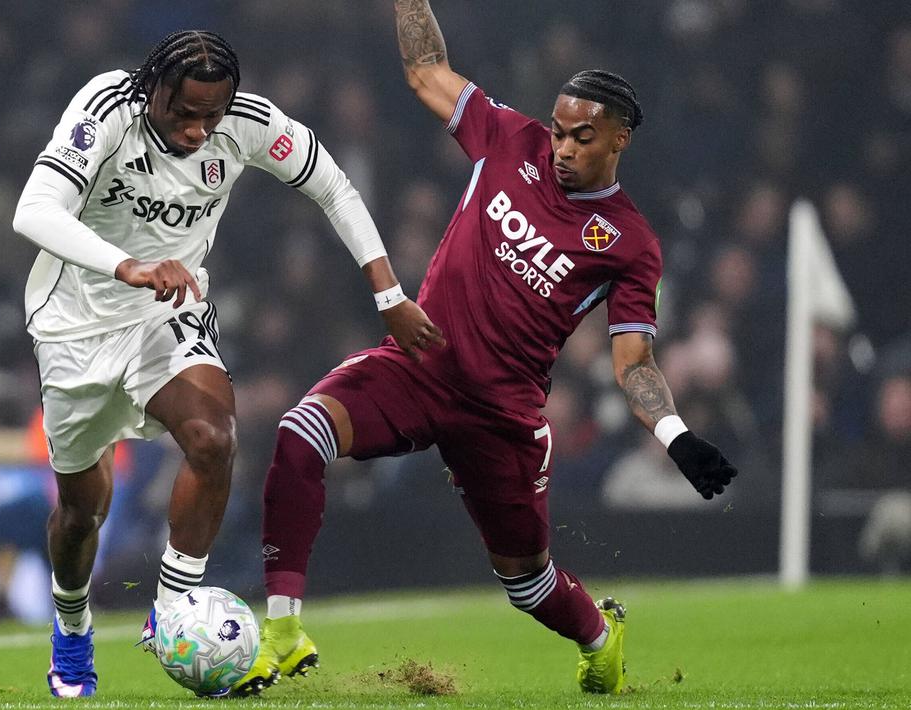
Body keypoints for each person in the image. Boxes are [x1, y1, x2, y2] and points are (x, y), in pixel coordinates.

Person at [233, 0, 739, 697]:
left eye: (582, 137)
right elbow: (425, 70)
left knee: (526, 583)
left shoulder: (629, 244)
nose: (562, 148)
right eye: (558, 132)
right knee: (300, 433)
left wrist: (677, 437)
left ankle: (599, 636)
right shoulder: (507, 137)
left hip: (502, 416)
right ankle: (284, 631)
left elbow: (634, 363)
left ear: (619, 140)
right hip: (419, 367)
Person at [10, 30, 438, 698]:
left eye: (210, 116)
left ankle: (172, 610)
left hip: (166, 313)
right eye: (184, 113)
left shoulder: (247, 124)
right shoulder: (108, 106)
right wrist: (128, 266)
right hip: (74, 330)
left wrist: (389, 294)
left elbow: (335, 187)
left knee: (213, 438)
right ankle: (71, 628)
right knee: (79, 512)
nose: (197, 130)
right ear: (154, 89)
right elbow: (34, 210)